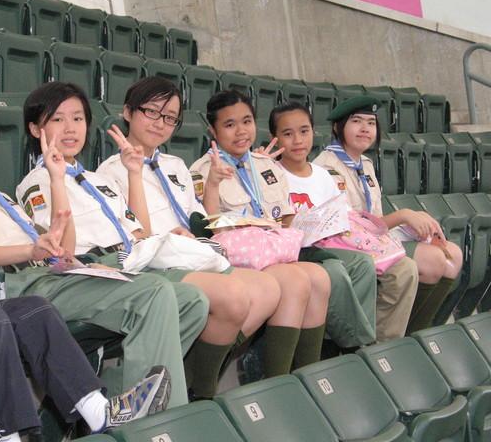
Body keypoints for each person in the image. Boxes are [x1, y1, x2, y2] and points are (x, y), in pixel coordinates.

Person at [0, 79, 196, 415]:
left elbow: (64, 248)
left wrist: (58, 179)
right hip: (8, 286)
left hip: (46, 276)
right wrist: (29, 253)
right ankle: (154, 422)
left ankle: (127, 399)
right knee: (153, 293)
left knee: (187, 299)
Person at [17, 80, 266, 399]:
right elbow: (62, 251)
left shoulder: (97, 180)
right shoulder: (36, 184)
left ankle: (127, 392)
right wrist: (57, 180)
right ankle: (161, 403)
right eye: (57, 119)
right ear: (35, 129)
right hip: (92, 268)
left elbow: (138, 233)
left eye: (78, 118)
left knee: (195, 302)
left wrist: (135, 173)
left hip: (132, 259)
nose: (70, 128)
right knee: (182, 294)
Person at [189, 89, 331, 374]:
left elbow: (285, 217)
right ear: (212, 131)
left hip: (273, 251)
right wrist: (214, 184)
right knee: (296, 281)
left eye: (247, 121)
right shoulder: (202, 170)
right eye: (229, 125)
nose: (241, 131)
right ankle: (273, 376)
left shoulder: (266, 165)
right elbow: (207, 227)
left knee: (320, 278)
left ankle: (307, 374)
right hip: (239, 258)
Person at [314, 96, 461, 336]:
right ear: (337, 127)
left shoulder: (365, 164)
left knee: (452, 254)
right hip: (348, 244)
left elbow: (375, 219)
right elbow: (351, 227)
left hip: (373, 240)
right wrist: (404, 215)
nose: (365, 128)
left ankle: (415, 335)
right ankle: (384, 343)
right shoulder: (326, 168)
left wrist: (414, 222)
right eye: (356, 121)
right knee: (433, 260)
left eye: (371, 123)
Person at [266, 101, 381, 348]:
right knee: (335, 272)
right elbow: (273, 221)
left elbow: (339, 215)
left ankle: (347, 339)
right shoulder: (271, 173)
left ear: (313, 132)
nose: (298, 140)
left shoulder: (322, 175)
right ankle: (357, 344)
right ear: (274, 138)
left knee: (363, 263)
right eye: (288, 134)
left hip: (324, 245)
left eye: (304, 131)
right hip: (293, 250)